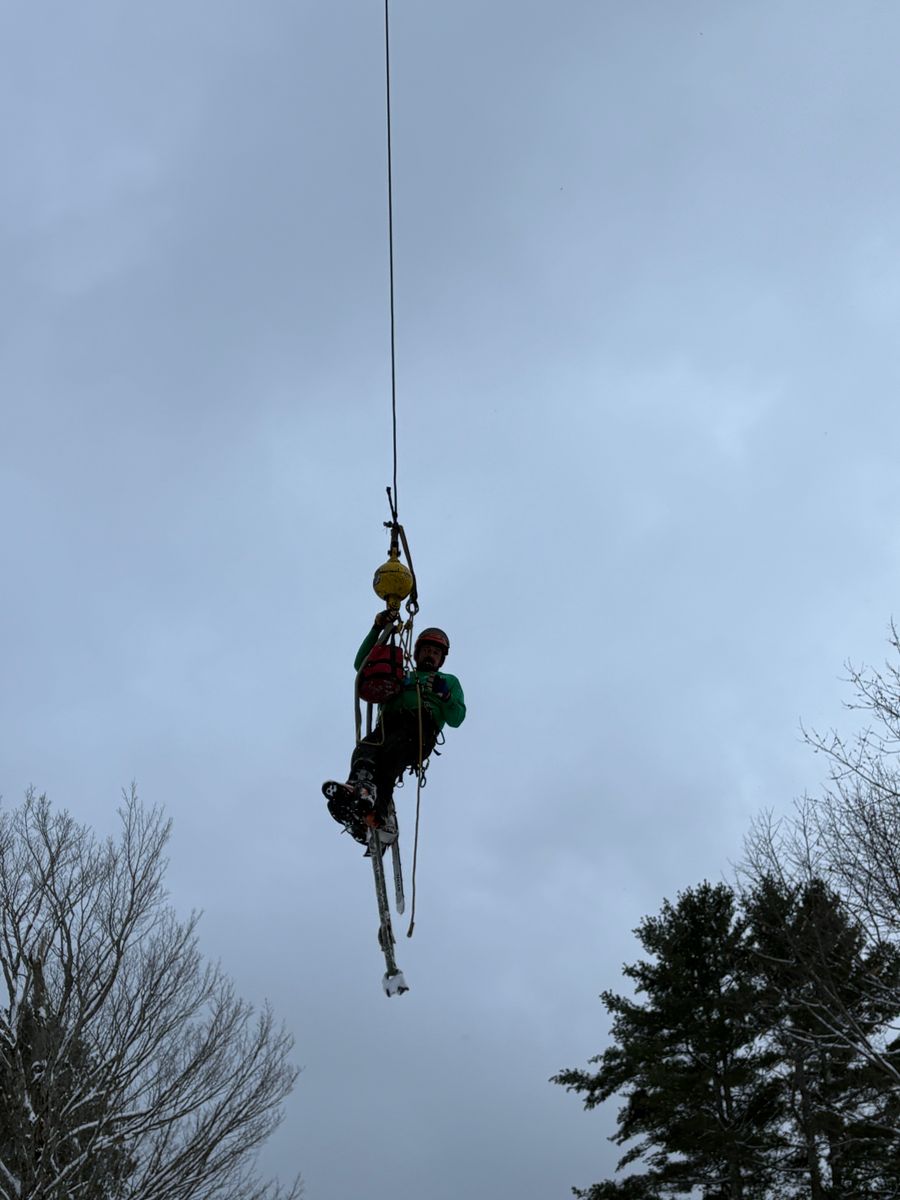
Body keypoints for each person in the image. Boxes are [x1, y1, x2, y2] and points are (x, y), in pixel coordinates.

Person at [324, 616, 466, 846]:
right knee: (365, 749)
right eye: (427, 650)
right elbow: (362, 665)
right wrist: (377, 628)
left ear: (441, 660)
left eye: (436, 653)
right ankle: (359, 798)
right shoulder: (402, 674)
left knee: (392, 753)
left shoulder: (447, 681)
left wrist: (446, 697)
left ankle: (376, 809)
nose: (430, 655)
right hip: (388, 725)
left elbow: (457, 718)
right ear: (417, 652)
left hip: (419, 729)